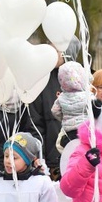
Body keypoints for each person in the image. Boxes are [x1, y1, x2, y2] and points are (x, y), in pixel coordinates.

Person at [30, 37, 82, 179]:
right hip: (52, 161)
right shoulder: (42, 81)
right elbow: (35, 123)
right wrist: (40, 157)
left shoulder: (83, 78)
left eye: (56, 50)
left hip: (81, 158)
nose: (51, 53)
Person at [52, 61, 92, 148]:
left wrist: (64, 118)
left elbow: (55, 111)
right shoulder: (88, 96)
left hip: (69, 131)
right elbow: (95, 108)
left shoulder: (61, 97)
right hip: (86, 129)